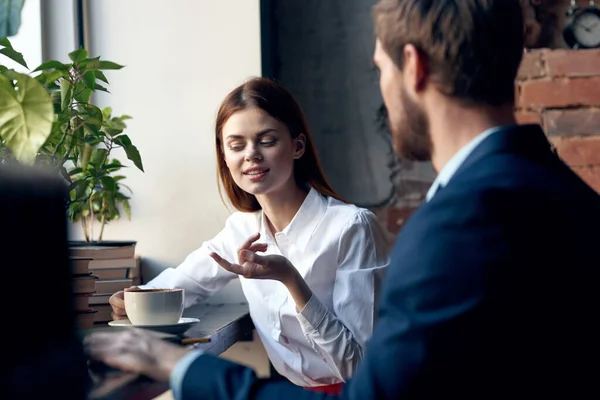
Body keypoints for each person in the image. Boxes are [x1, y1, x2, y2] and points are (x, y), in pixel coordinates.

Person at [85, 0, 599, 399]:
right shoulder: (556, 192)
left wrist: (180, 367)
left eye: (380, 68)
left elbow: (369, 385)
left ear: (413, 67)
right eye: (235, 145)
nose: (251, 156)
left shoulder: (458, 226)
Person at [103, 77, 390, 394]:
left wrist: (292, 281)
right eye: (236, 146)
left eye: (267, 141)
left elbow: (360, 366)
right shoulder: (241, 229)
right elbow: (184, 284)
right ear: (225, 156)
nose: (251, 155)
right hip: (287, 391)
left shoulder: (352, 227)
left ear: (297, 146)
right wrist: (132, 299)